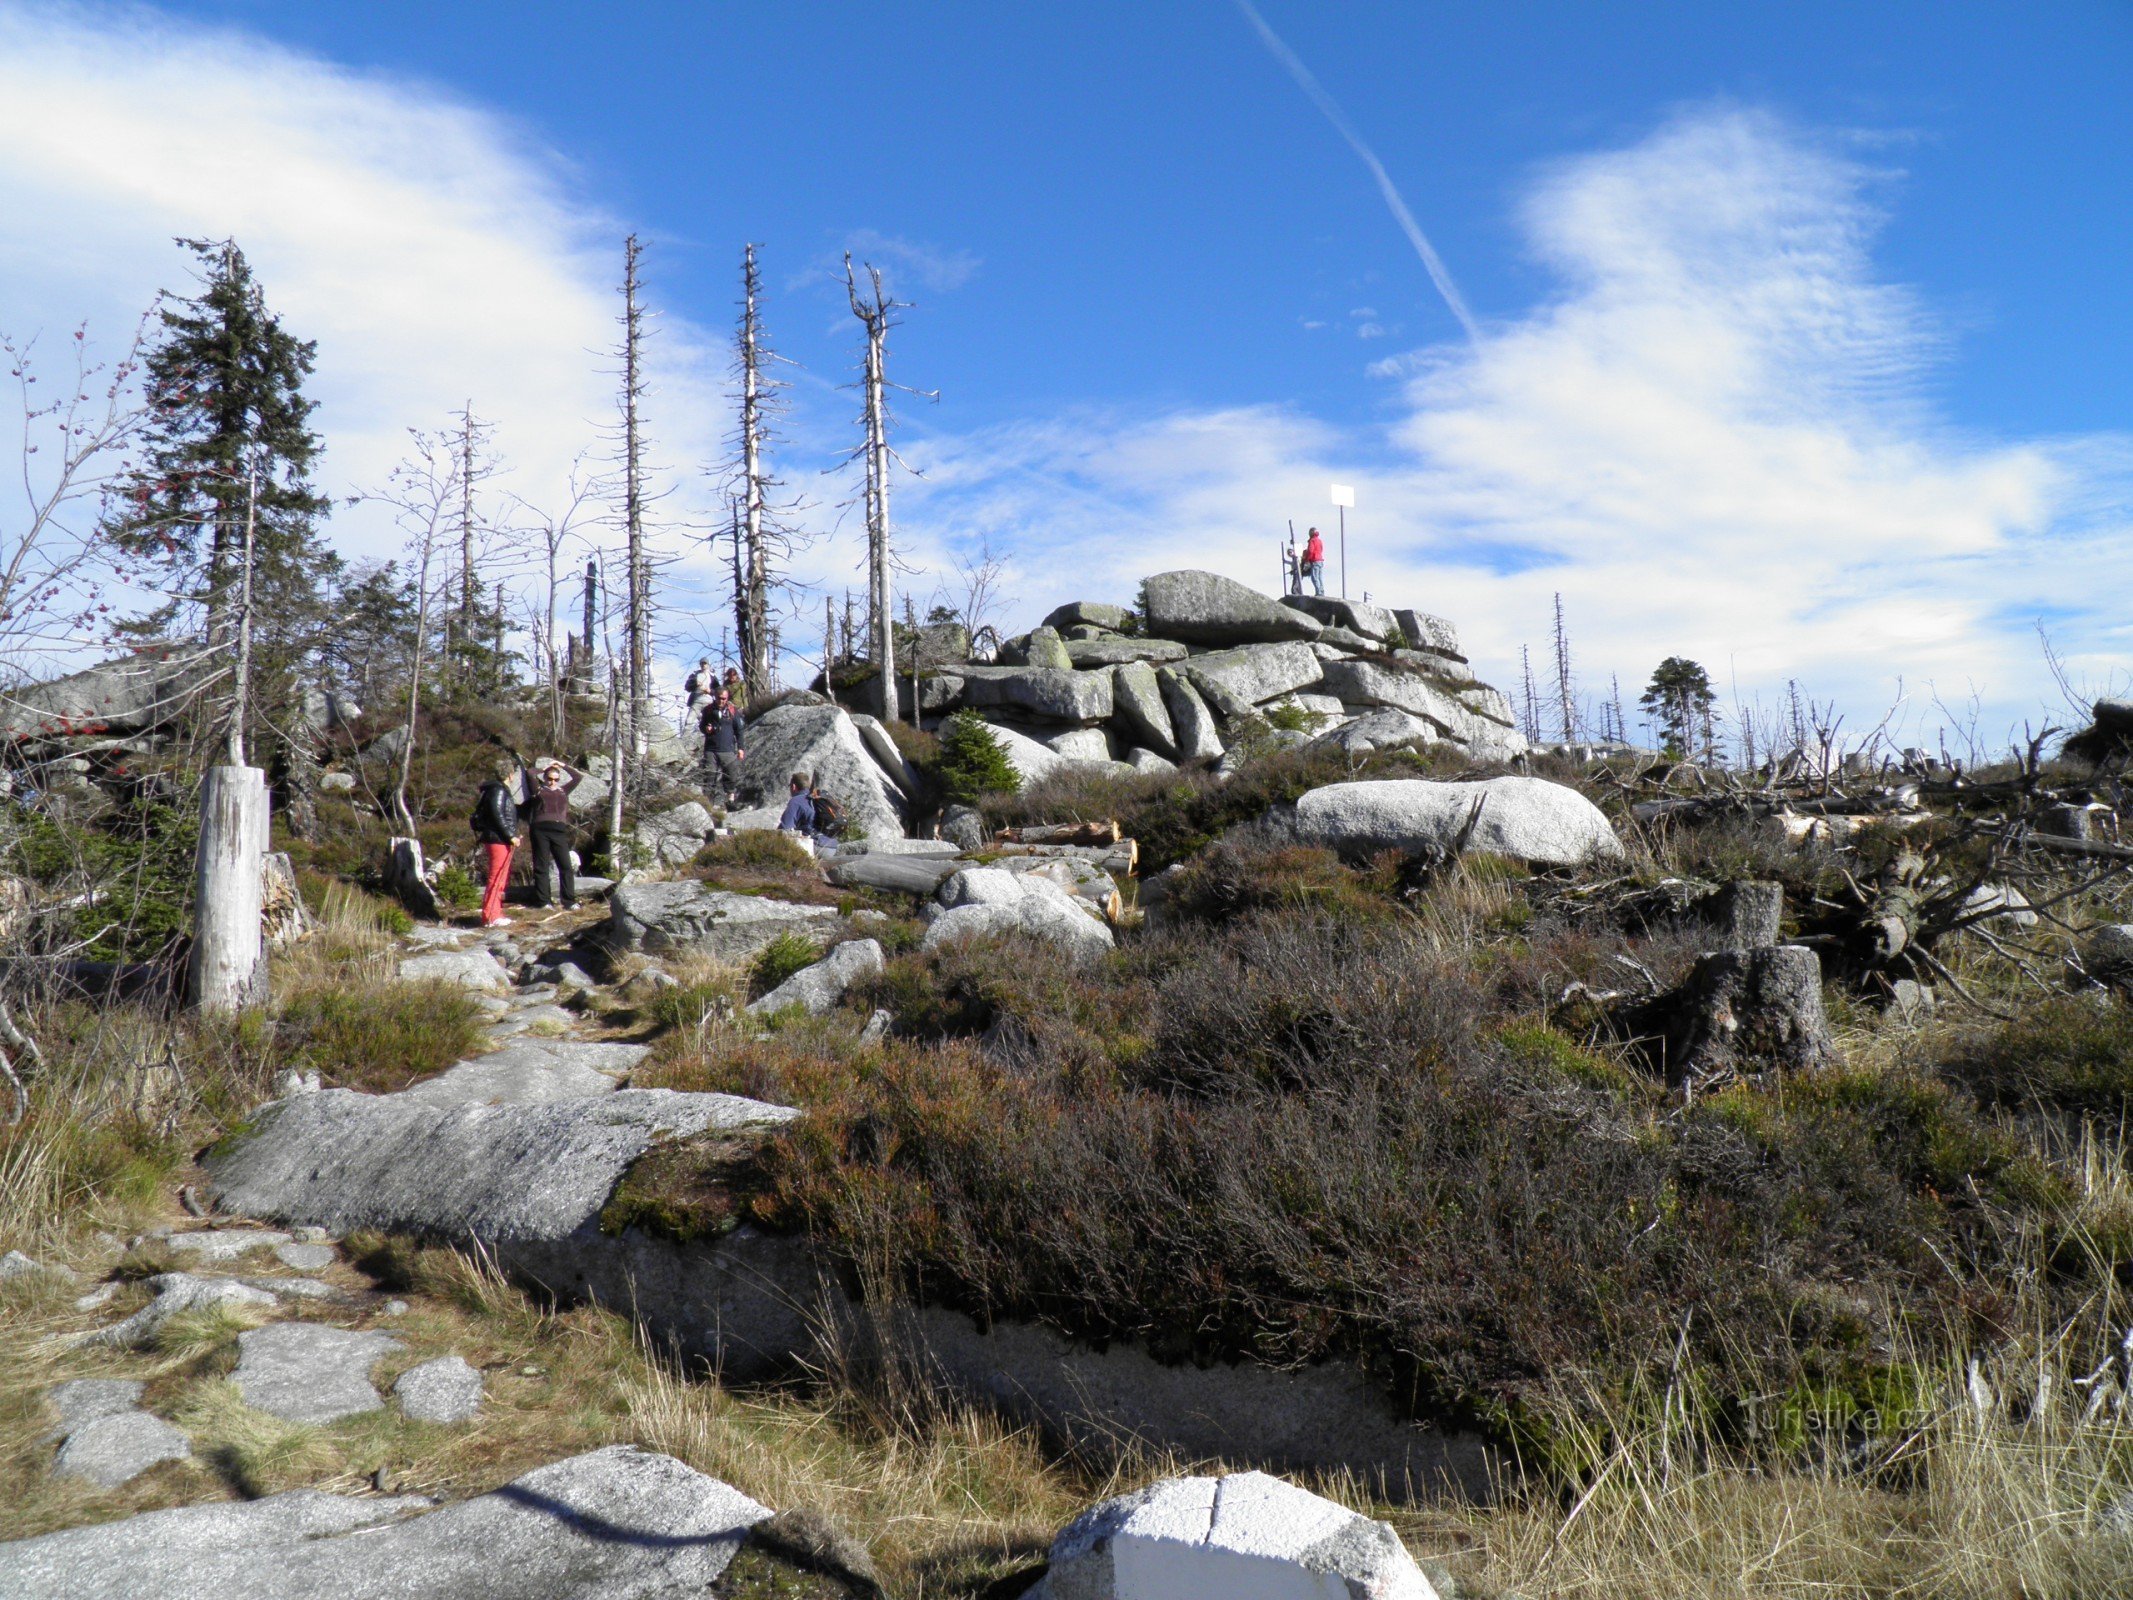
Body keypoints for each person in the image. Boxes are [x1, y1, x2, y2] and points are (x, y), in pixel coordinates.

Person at [518, 757, 583, 909]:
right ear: (545, 778)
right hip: (540, 829)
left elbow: (578, 777)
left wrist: (562, 765)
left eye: (555, 779)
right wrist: (545, 767)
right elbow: (530, 772)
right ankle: (544, 901)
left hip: (559, 830)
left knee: (566, 866)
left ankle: (568, 901)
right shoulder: (538, 789)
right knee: (542, 866)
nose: (552, 782)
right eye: (549, 779)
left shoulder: (563, 791)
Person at [471, 761, 520, 928]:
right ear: (510, 774)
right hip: (498, 839)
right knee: (497, 876)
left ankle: (495, 913)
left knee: (500, 877)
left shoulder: (495, 789)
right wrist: (510, 835)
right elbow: (498, 815)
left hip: (499, 839)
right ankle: (491, 916)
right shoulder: (498, 790)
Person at [699, 688, 746, 804]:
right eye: (719, 698)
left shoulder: (733, 711)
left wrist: (740, 748)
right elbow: (702, 726)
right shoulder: (708, 710)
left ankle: (730, 801)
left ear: (727, 698)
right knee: (709, 776)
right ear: (715, 697)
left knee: (731, 775)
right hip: (711, 750)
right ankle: (708, 804)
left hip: (727, 750)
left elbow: (739, 731)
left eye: (724, 698)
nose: (721, 701)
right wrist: (706, 729)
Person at [1300, 527, 1326, 597]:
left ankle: (1319, 592)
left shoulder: (1312, 541)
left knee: (1314, 577)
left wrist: (1307, 559)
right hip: (1320, 560)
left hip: (1315, 560)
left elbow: (1310, 551)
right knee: (1320, 577)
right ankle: (1322, 591)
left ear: (1311, 533)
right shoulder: (1319, 540)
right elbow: (1321, 549)